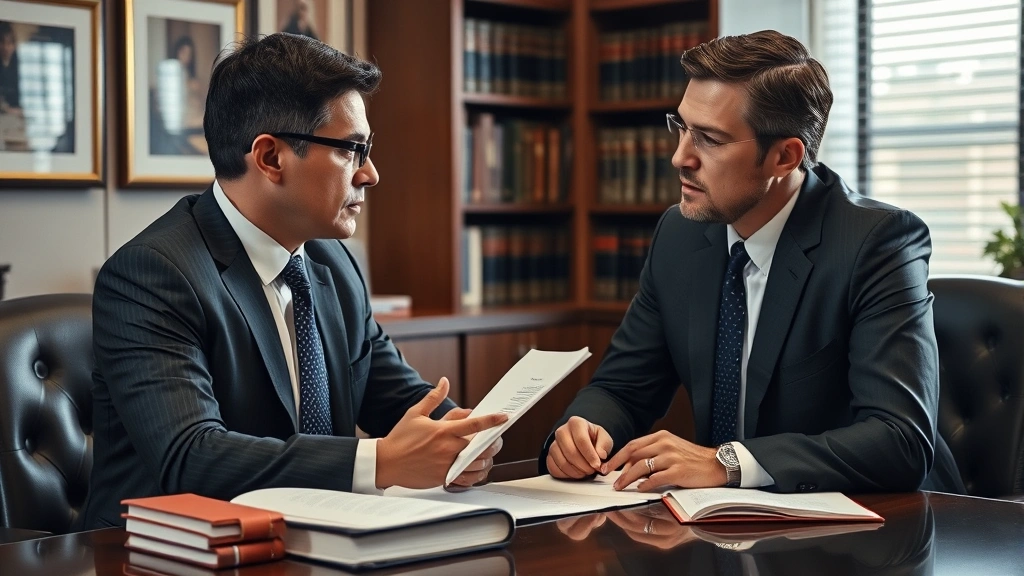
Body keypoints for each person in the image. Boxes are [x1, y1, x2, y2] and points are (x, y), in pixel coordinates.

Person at [79, 33, 507, 530]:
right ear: (270, 158)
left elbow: (402, 402)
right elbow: (190, 457)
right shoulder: (152, 275)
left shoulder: (333, 266)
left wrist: (467, 438)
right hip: (165, 554)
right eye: (351, 150)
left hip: (311, 545)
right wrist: (380, 462)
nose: (370, 174)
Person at [542, 30, 964, 495]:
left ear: (785, 156)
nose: (680, 157)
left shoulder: (877, 243)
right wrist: (583, 431)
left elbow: (899, 440)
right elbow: (621, 389)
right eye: (681, 127)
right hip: (729, 533)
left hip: (888, 533)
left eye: (709, 139)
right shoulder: (680, 235)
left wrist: (726, 462)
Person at [0, 21, 22, 115]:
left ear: (14, 45)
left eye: (9, 43)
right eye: (2, 42)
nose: (6, 47)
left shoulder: (17, 65)